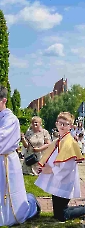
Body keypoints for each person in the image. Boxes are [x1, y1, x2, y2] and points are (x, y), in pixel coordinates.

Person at [35, 112, 85, 221]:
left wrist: (51, 170)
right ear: (56, 124)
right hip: (57, 179)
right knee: (59, 213)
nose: (62, 126)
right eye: (60, 123)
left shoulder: (69, 142)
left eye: (65, 124)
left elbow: (67, 166)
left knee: (62, 215)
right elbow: (52, 157)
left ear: (70, 126)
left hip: (64, 180)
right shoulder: (59, 141)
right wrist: (44, 166)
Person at [0, 84, 41, 226]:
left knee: (9, 197)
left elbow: (1, 139)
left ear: (3, 100)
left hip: (5, 163)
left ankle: (31, 206)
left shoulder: (10, 120)